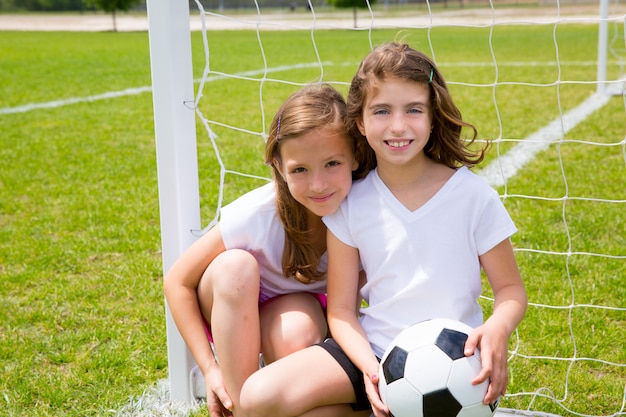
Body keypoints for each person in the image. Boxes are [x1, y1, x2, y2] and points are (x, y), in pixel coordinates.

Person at [239, 42, 527, 417]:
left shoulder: (473, 196)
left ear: (432, 116)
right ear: (359, 121)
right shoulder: (352, 203)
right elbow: (341, 311)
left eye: (413, 110)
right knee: (257, 396)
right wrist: (373, 372)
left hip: (458, 362)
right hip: (373, 351)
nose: (398, 125)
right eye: (381, 111)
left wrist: (497, 329)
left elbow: (511, 291)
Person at [163, 83, 375, 417]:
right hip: (231, 297)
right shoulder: (258, 216)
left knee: (296, 336)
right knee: (235, 267)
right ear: (278, 165)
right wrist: (209, 368)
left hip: (299, 309)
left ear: (355, 157)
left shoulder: (366, 210)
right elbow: (177, 281)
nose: (318, 184)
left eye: (332, 163)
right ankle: (239, 404)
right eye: (300, 170)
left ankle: (270, 399)